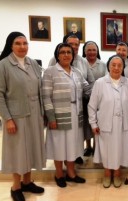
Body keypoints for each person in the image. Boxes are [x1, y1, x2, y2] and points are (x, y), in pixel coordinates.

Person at [0, 32, 46, 201]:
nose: (22, 47)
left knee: (31, 148)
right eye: (18, 43)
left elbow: (40, 90)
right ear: (11, 45)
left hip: (34, 113)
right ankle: (16, 186)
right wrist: (7, 119)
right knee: (17, 152)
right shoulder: (4, 65)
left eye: (25, 43)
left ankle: (27, 182)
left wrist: (43, 113)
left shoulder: (33, 64)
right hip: (16, 116)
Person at [42, 43, 91, 188]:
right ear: (57, 55)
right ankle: (59, 174)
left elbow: (87, 88)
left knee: (73, 144)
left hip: (76, 113)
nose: (66, 55)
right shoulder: (50, 72)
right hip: (59, 114)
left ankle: (71, 173)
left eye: (69, 52)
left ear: (73, 55)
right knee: (58, 145)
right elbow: (46, 96)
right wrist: (51, 118)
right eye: (62, 52)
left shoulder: (76, 72)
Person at [88, 55, 128, 188]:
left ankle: (118, 174)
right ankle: (107, 174)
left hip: (123, 124)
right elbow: (92, 106)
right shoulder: (100, 83)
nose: (116, 68)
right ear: (108, 66)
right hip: (106, 123)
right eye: (113, 65)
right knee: (106, 149)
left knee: (120, 148)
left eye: (120, 65)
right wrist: (93, 123)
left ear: (123, 67)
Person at [49, 35, 95, 164]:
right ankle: (60, 169)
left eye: (76, 45)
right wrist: (50, 116)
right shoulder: (52, 66)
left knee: (74, 137)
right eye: (70, 45)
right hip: (60, 109)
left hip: (78, 105)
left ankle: (73, 162)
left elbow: (89, 84)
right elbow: (47, 93)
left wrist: (102, 91)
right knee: (60, 141)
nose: (73, 48)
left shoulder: (80, 66)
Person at [81, 41, 106, 156]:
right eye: (89, 50)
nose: (91, 52)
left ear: (97, 51)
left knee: (97, 122)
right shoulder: (81, 63)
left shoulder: (103, 65)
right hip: (84, 98)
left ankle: (97, 147)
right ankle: (88, 146)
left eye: (94, 50)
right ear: (85, 51)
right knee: (86, 122)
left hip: (99, 99)